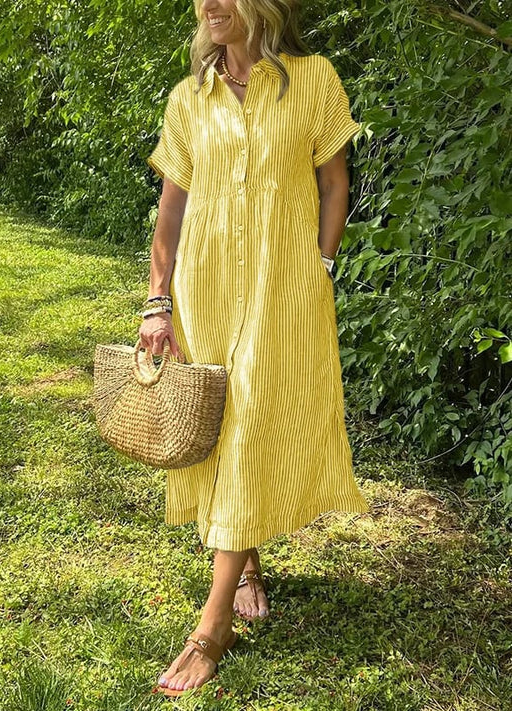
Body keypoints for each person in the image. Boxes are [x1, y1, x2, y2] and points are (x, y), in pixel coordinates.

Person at [139, 0, 369, 697]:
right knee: (221, 431)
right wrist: (157, 301)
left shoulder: (315, 80)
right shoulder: (188, 99)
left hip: (280, 292)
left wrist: (318, 266)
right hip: (205, 290)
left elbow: (334, 182)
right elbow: (171, 209)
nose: (209, 5)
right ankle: (246, 564)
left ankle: (211, 627)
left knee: (249, 426)